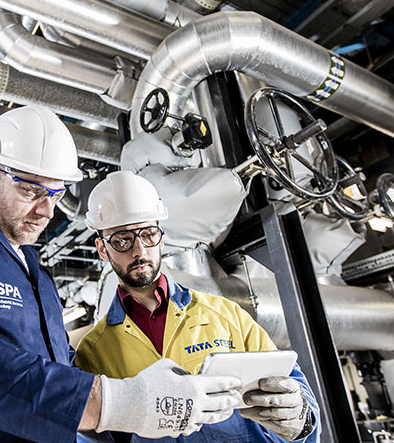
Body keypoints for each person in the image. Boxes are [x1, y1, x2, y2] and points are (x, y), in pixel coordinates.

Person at [0, 105, 246, 443]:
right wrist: (114, 402)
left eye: (56, 192)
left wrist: (154, 401)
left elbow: (60, 369)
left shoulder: (37, 275)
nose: (47, 210)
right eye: (32, 190)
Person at [75, 171, 320, 442]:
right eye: (122, 240)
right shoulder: (92, 352)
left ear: (162, 237)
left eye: (148, 234)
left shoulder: (226, 315)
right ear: (101, 248)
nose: (140, 251)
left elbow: (296, 398)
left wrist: (302, 420)